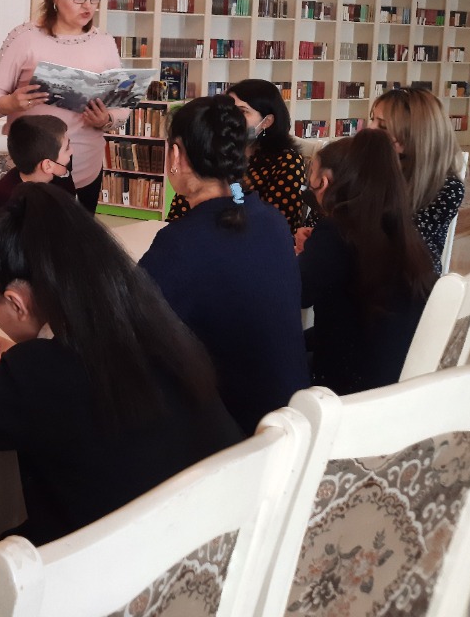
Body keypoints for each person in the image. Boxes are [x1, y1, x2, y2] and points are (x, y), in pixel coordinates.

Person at [0, 184, 241, 546]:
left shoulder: (39, 375)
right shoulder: (150, 323)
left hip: (119, 565)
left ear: (16, 302)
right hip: (216, 539)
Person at [138, 96, 308, 435]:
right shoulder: (271, 220)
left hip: (238, 434)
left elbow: (125, 325)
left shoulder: (181, 243)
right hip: (292, 418)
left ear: (176, 155)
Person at [0, 0, 123, 213]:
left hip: (86, 167)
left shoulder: (105, 42)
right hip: (31, 169)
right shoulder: (26, 37)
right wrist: (11, 102)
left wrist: (107, 119)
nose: (87, 5)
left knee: (77, 237)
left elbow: (121, 106)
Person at [298, 130, 436, 394]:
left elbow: (298, 292)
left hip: (349, 387)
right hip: (394, 374)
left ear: (324, 183)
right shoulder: (400, 229)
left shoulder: (335, 232)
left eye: (311, 173)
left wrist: (307, 254)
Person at [166, 78, 306, 232]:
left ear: (267, 121)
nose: (232, 118)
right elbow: (179, 211)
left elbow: (279, 224)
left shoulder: (287, 161)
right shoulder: (214, 149)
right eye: (229, 111)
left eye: (242, 111)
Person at [368, 87, 465, 274]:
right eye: (373, 120)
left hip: (408, 281)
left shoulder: (448, 188)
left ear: (413, 135)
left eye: (383, 126)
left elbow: (400, 243)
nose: (369, 128)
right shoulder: (372, 164)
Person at [0, 114, 75, 222]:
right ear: (48, 165)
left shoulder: (59, 177)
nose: (72, 151)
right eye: (67, 148)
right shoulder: (2, 200)